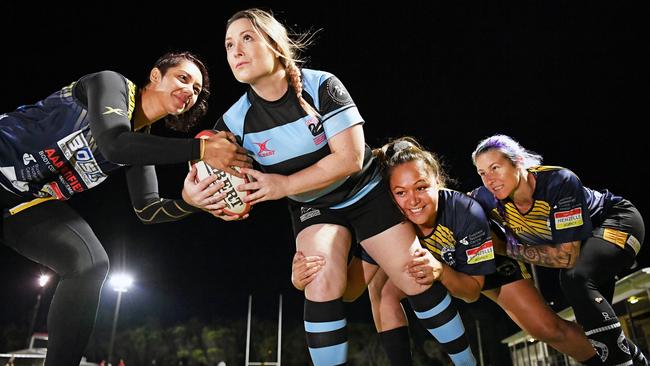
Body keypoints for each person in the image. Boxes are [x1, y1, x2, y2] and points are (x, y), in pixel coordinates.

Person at [183, 9, 475, 365]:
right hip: (314, 207)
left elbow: (350, 159)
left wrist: (283, 184)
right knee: (319, 279)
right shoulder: (233, 121)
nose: (236, 51)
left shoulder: (322, 85)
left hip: (365, 191)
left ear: (275, 45)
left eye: (247, 38)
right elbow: (211, 176)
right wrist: (194, 196)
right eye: (229, 44)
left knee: (415, 275)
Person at [0, 51, 250, 366]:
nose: (190, 91)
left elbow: (147, 209)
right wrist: (202, 149)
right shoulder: (111, 83)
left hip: (21, 203)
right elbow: (114, 144)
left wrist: (192, 203)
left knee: (88, 265)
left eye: (197, 90)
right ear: (156, 76)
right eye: (183, 78)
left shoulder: (139, 141)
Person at [293, 136, 603, 365]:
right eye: (400, 193)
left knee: (547, 328)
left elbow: (469, 292)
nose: (412, 200)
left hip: (481, 267)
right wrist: (307, 279)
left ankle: (608, 357)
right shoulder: (390, 224)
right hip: (441, 270)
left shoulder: (465, 212)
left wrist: (441, 270)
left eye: (421, 187)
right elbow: (348, 293)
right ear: (389, 197)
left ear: (437, 182)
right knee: (384, 293)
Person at [470, 134, 647, 365]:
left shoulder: (558, 181)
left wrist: (504, 248)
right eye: (482, 173)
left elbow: (566, 257)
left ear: (519, 161)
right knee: (597, 330)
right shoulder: (485, 197)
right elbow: (452, 208)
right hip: (584, 249)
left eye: (495, 167)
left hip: (617, 222)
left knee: (574, 278)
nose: (489, 179)